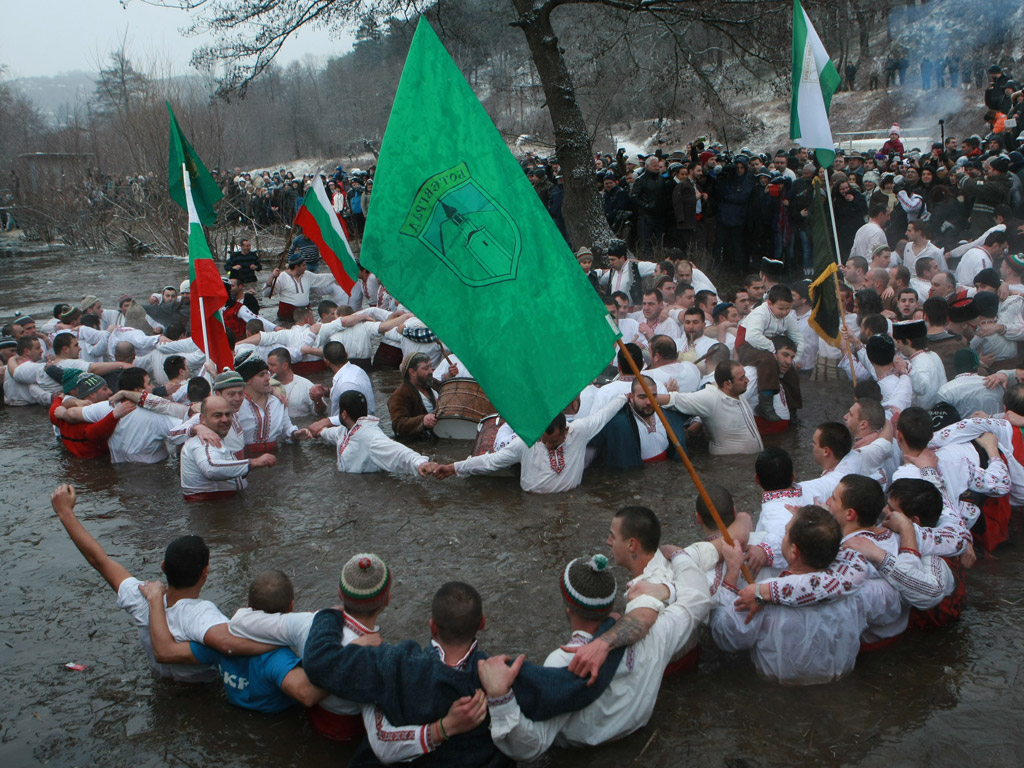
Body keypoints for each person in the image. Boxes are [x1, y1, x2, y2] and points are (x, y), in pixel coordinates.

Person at [302, 581, 628, 768]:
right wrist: (609, 631)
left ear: (431, 626)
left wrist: (330, 616)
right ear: (483, 623)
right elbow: (578, 686)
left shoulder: (394, 663)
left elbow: (320, 662)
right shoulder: (504, 675)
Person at [480, 541, 710, 759]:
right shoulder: (652, 634)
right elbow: (697, 600)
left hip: (580, 756)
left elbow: (533, 745)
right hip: (636, 738)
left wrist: (501, 699)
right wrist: (676, 565)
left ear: (567, 607)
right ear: (610, 604)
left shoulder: (565, 660)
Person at [50, 484, 277, 682]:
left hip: (161, 682)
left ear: (163, 568)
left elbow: (98, 560)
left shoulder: (143, 599)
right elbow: (231, 645)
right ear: (205, 573)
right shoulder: (203, 615)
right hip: (201, 693)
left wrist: (65, 512)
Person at [710, 505, 864, 684]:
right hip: (839, 682)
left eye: (785, 534)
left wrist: (732, 574)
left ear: (794, 551)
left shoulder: (759, 597)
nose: (783, 539)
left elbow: (724, 636)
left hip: (776, 691)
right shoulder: (850, 587)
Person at [139, 571, 326, 713]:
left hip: (235, 711)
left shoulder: (220, 645)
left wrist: (155, 599)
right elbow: (306, 694)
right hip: (278, 720)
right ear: (291, 607)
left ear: (248, 606)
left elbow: (167, 652)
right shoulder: (278, 659)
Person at [432, 393, 627, 493]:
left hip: (571, 499)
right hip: (533, 503)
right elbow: (491, 461)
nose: (547, 445)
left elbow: (604, 414)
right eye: (544, 440)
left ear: (566, 431)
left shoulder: (580, 430)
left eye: (553, 441)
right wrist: (453, 468)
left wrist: (624, 397)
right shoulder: (526, 443)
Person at [179, 395, 276, 501]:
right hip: (212, 508)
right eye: (217, 415)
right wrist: (254, 462)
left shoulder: (214, 437)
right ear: (203, 419)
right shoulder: (204, 442)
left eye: (228, 414)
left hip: (222, 504)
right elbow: (211, 469)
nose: (225, 419)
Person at [319, 390, 438, 476]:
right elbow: (332, 434)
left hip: (364, 489)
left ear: (344, 414)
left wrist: (420, 463)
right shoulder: (344, 430)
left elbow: (399, 452)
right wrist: (319, 432)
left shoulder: (371, 438)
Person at [656, 360, 763, 456]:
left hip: (749, 461)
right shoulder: (710, 397)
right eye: (742, 378)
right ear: (727, 384)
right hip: (728, 465)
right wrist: (647, 397)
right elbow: (674, 400)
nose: (747, 380)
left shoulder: (738, 392)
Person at [588, 376, 689, 469]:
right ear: (631, 397)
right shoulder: (616, 424)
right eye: (642, 397)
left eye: (653, 396)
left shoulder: (670, 416)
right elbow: (590, 436)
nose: (649, 402)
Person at [736, 284, 803, 421]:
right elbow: (752, 336)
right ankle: (765, 404)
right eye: (781, 308)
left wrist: (796, 359)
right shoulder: (760, 313)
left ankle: (793, 409)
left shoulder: (787, 317)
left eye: (788, 308)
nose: (784, 312)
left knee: (790, 370)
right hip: (747, 347)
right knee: (768, 360)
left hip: (768, 347)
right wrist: (773, 350)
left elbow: (798, 338)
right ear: (770, 303)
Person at [234, 350, 311, 455]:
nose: (268, 378)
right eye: (261, 375)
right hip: (246, 462)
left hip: (276, 460)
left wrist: (295, 434)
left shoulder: (277, 401)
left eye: (267, 373)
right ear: (247, 380)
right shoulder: (236, 404)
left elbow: (286, 429)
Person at [387, 352, 454, 441]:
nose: (430, 371)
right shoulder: (400, 394)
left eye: (430, 366)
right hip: (417, 442)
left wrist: (448, 376)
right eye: (425, 368)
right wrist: (422, 420)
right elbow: (397, 424)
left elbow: (445, 390)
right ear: (412, 372)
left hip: (438, 435)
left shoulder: (430, 382)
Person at [266, 347, 327, 422]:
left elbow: (321, 412)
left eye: (272, 365)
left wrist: (318, 400)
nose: (269, 368)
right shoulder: (266, 385)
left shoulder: (305, 385)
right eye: (268, 365)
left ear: (285, 365)